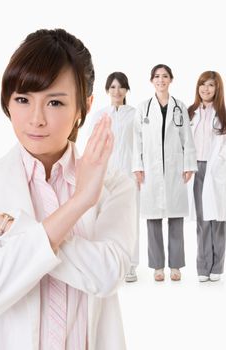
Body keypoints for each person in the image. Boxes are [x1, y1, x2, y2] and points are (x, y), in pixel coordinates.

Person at [0, 29, 136, 350]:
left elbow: (107, 276)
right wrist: (78, 204)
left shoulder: (115, 184)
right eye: (23, 99)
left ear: (85, 106)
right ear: (7, 101)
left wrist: (1, 225)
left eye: (55, 102)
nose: (36, 119)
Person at [132, 64, 197, 282]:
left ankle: (176, 266)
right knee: (152, 218)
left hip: (174, 168)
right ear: (152, 80)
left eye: (165, 76)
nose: (161, 80)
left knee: (176, 217)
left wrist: (189, 165)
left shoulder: (180, 107)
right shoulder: (143, 108)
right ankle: (158, 266)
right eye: (157, 76)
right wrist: (138, 167)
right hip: (150, 168)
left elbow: (187, 138)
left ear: (171, 79)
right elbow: (137, 141)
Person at [86, 72, 139, 282]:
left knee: (130, 218)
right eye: (113, 87)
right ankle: (105, 263)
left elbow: (141, 145)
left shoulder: (135, 114)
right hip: (106, 173)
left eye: (121, 87)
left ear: (127, 90)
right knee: (104, 217)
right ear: (107, 90)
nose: (117, 91)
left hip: (129, 172)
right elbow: (91, 143)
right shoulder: (100, 115)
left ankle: (131, 264)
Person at [187, 71, 226, 282]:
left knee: (218, 219)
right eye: (202, 84)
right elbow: (183, 142)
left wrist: (221, 159)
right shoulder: (190, 112)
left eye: (211, 85)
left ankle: (217, 267)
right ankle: (203, 267)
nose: (205, 88)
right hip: (195, 169)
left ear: (217, 89)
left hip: (214, 170)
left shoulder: (222, 114)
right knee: (202, 219)